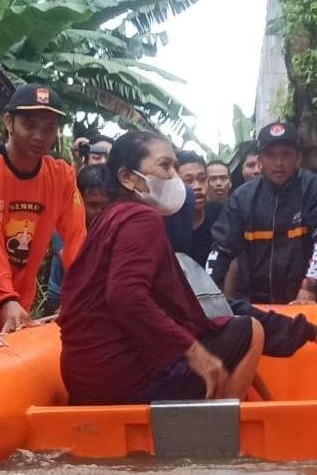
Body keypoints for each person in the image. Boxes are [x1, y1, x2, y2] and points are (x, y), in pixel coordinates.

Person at [59, 131, 266, 405]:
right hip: (121, 380)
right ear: (127, 177)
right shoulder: (142, 218)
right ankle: (218, 438)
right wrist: (195, 352)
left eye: (175, 167)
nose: (174, 177)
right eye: (165, 166)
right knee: (251, 330)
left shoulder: (109, 216)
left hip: (84, 375)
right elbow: (125, 295)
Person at [0, 83, 87, 334]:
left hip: (15, 302)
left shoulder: (61, 173)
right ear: (9, 122)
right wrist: (6, 297)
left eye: (49, 128)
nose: (39, 137)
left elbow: (76, 238)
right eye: (29, 125)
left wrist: (84, 294)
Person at [206, 122, 317, 305]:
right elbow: (220, 250)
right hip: (258, 306)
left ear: (298, 158)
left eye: (286, 154)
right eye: (270, 155)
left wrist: (309, 288)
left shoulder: (316, 189)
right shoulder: (242, 198)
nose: (279, 163)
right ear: (260, 161)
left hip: (311, 301)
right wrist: (206, 297)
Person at [43, 165, 115, 315]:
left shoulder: (116, 228)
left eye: (105, 206)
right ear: (79, 200)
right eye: (92, 205)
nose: (99, 212)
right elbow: (75, 269)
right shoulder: (63, 226)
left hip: (98, 300)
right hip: (62, 301)